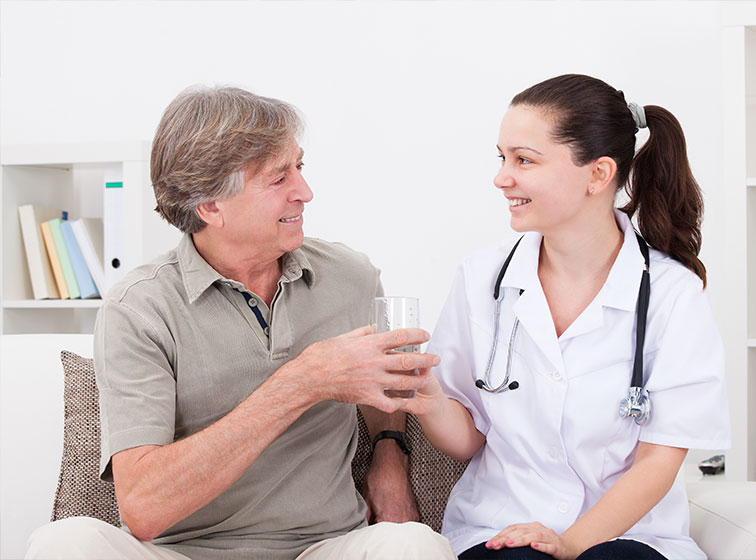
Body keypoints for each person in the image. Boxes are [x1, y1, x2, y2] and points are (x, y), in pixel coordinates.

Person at [25, 86, 456, 560]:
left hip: (326, 549)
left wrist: (389, 452)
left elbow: (389, 375)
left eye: (300, 167)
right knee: (62, 544)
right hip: (184, 553)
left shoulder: (350, 278)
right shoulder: (139, 308)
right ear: (210, 206)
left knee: (414, 546)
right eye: (278, 179)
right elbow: (143, 509)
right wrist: (300, 383)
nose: (305, 192)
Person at [402, 74, 730, 560]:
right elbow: (469, 439)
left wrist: (569, 542)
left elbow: (658, 459)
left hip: (631, 536)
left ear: (597, 175)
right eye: (502, 157)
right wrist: (427, 397)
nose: (501, 177)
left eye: (524, 160)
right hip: (502, 528)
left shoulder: (670, 293)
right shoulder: (480, 279)